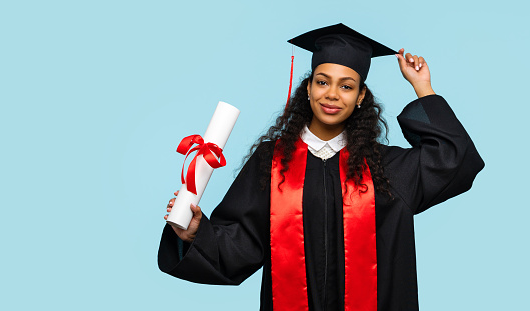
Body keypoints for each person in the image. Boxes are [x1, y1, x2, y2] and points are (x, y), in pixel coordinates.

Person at [158, 23, 484, 311]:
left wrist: (422, 86)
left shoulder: (386, 168)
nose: (332, 95)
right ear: (309, 88)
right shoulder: (273, 163)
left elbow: (452, 159)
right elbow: (241, 244)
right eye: (322, 82)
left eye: (346, 86)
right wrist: (196, 234)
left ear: (360, 96)